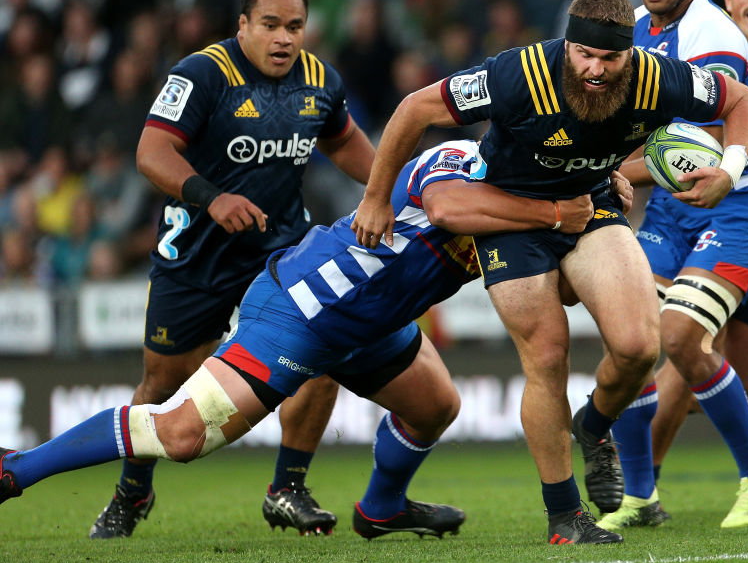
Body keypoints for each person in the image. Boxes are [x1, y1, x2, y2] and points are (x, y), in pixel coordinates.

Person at [0, 140, 603, 540]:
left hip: (373, 325)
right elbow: (444, 208)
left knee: (437, 406)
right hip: (302, 308)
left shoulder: (532, 203)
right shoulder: (461, 160)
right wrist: (557, 216)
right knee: (182, 434)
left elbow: (567, 291)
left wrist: (596, 213)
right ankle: (16, 469)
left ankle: (382, 509)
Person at [350, 0, 748, 544]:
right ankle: (565, 517)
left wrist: (731, 169)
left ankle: (593, 426)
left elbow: (744, 101)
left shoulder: (657, 76)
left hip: (590, 206)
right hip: (511, 216)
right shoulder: (519, 73)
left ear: (630, 54)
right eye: (584, 55)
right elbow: (415, 108)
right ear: (567, 45)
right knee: (546, 354)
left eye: (610, 59)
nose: (595, 69)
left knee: (641, 346)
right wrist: (376, 197)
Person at [88, 0, 377, 539]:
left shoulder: (320, 80)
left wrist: (391, 187)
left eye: (295, 26)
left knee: (322, 347)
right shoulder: (202, 74)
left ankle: (287, 488)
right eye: (270, 24)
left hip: (281, 249)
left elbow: (343, 141)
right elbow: (151, 151)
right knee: (163, 386)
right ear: (242, 25)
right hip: (197, 256)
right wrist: (212, 198)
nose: (284, 38)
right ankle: (131, 492)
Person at [591, 0, 748, 532]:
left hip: (740, 201)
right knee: (629, 343)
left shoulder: (711, 33)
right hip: (673, 210)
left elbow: (695, 145)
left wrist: (600, 172)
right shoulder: (634, 30)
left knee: (678, 336)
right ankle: (641, 497)